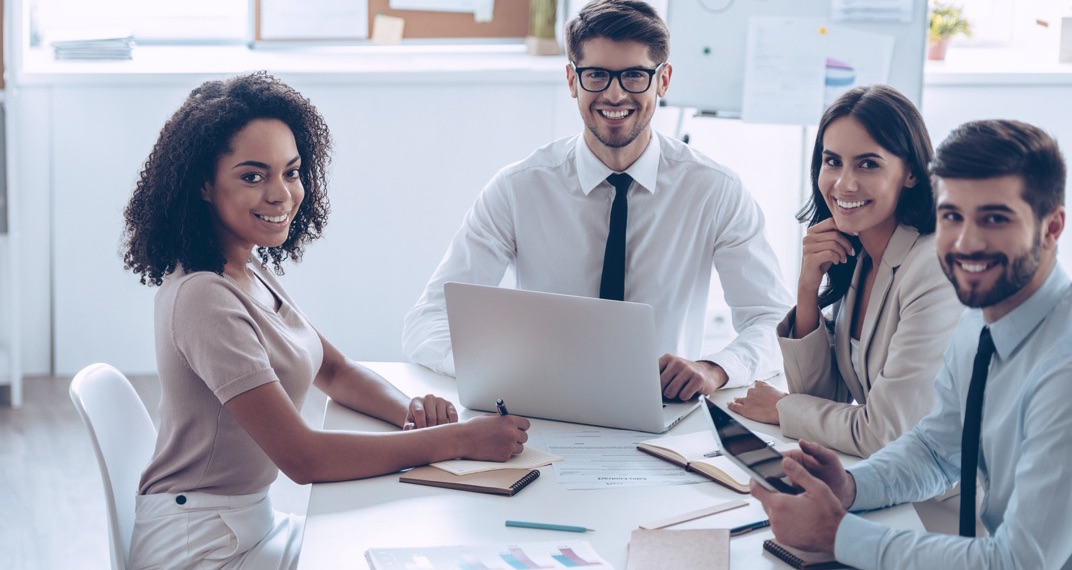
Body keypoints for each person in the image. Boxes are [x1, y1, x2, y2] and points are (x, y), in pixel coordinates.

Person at [121, 72, 530, 569]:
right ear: (204, 185)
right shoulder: (205, 297)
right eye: (253, 176)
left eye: (290, 172)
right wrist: (460, 439)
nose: (281, 194)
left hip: (247, 524)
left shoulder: (245, 266)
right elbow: (303, 458)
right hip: (202, 548)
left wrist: (411, 414)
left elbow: (334, 371)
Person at [750, 119, 1072, 568]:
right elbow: (938, 448)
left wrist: (839, 535)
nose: (966, 242)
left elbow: (1017, 562)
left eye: (994, 218)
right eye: (952, 216)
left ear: (1052, 228)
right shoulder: (982, 318)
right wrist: (852, 487)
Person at [402, 0, 792, 400]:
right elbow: (428, 321)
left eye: (635, 76)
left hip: (665, 413)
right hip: (544, 409)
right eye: (597, 75)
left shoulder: (714, 190)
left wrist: (716, 368)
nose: (615, 94)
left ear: (663, 80)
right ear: (572, 80)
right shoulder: (518, 189)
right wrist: (503, 372)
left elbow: (774, 320)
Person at [727, 85, 962, 458]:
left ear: (912, 173)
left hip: (950, 504)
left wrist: (781, 409)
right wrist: (807, 290)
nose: (844, 183)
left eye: (868, 164)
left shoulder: (933, 269)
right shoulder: (861, 253)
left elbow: (887, 433)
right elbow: (823, 398)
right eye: (832, 161)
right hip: (885, 479)